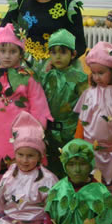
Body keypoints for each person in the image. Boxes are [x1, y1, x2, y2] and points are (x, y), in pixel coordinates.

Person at [0, 23, 52, 190]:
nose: (7, 56)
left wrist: (38, 131)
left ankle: (19, 199)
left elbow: (38, 104)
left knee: (19, 165)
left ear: (21, 53)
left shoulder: (28, 77)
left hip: (19, 132)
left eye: (13, 51)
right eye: (2, 51)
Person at [0, 112, 58, 224]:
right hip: (10, 222)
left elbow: (51, 210)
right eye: (20, 155)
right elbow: (0, 202)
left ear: (40, 156)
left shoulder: (47, 180)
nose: (24, 160)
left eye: (30, 156)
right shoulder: (9, 175)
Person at [73, 41, 112, 194]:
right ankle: (88, 202)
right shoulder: (89, 94)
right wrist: (78, 142)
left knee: (108, 182)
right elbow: (82, 121)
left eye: (101, 73)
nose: (96, 77)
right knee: (86, 179)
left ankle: (107, 202)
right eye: (93, 73)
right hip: (89, 147)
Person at [41, 29, 88, 177]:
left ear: (73, 54)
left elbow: (86, 107)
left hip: (71, 133)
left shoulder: (80, 78)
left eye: (63, 52)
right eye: (53, 52)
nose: (58, 56)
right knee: (51, 168)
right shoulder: (47, 76)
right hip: (49, 133)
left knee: (70, 168)